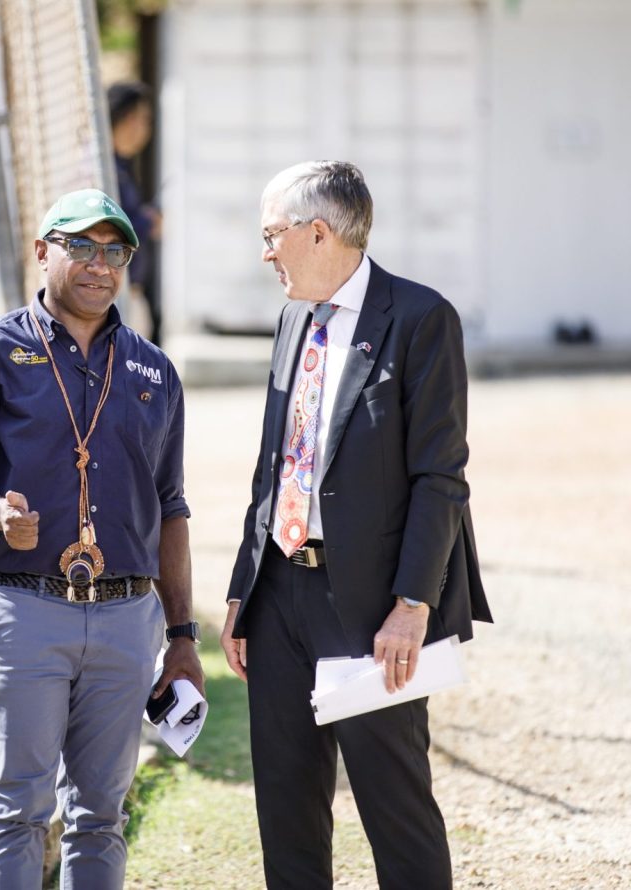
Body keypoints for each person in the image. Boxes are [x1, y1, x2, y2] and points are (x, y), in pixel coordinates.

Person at [220, 161, 493, 889]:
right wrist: (241, 594)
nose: (265, 252)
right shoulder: (291, 318)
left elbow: (441, 477)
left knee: (393, 806)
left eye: (272, 234)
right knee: (286, 807)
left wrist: (413, 604)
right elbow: (273, 466)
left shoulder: (419, 318)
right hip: (280, 596)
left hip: (372, 605)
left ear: (319, 232)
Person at [0, 188, 204, 889]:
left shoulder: (153, 370)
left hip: (124, 618)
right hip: (23, 611)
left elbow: (171, 509)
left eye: (115, 251)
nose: (98, 265)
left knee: (101, 815)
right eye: (80, 245)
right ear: (42, 251)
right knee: (18, 809)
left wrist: (182, 635)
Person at [108, 81, 164, 345]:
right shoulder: (102, 169)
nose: (143, 129)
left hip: (128, 291)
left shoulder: (122, 167)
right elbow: (108, 228)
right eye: (140, 119)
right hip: (111, 295)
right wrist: (146, 221)